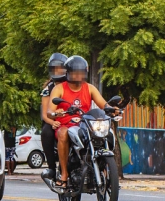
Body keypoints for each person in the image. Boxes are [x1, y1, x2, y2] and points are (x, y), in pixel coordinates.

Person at [47, 55, 118, 188]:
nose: (78, 76)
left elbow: (103, 104)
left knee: (106, 133)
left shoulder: (89, 88)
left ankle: (105, 173)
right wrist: (55, 113)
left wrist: (112, 109)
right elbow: (50, 111)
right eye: (75, 73)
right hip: (66, 124)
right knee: (63, 133)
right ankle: (64, 174)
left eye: (81, 73)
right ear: (68, 73)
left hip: (85, 124)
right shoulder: (59, 88)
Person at [40, 53, 68, 179]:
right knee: (46, 132)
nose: (58, 71)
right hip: (53, 121)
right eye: (55, 69)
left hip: (71, 119)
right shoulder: (48, 89)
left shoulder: (73, 84)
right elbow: (45, 114)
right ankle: (51, 167)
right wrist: (53, 122)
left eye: (60, 68)